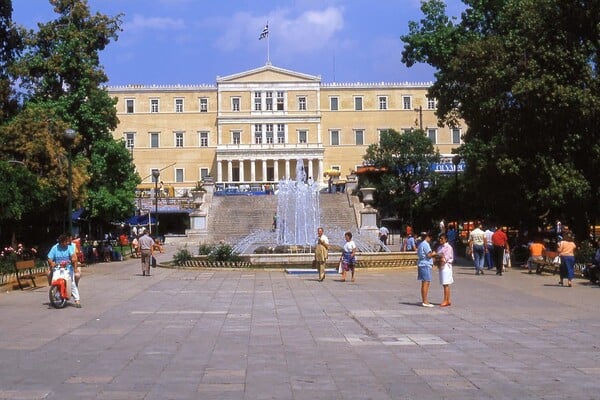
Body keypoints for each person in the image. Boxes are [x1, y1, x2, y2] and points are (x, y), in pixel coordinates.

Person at [47, 234, 81, 308]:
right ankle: (55, 296)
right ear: (61, 242)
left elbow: (73, 257)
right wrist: (52, 263)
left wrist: (72, 259)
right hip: (57, 268)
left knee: (71, 282)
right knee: (54, 280)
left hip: (68, 268)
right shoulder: (55, 248)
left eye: (68, 241)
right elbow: (49, 258)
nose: (67, 243)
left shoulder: (69, 248)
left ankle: (77, 300)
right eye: (66, 242)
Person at [417, 231, 436, 307]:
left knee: (424, 282)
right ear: (427, 237)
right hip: (425, 264)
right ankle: (425, 301)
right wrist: (434, 253)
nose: (430, 239)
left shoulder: (421, 244)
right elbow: (429, 255)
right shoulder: (426, 244)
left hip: (422, 264)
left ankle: (424, 300)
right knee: (426, 283)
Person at [436, 233, 453, 307]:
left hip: (445, 266)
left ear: (446, 239)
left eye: (442, 239)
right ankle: (448, 300)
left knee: (446, 283)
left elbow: (445, 258)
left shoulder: (448, 247)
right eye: (440, 238)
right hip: (441, 265)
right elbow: (437, 256)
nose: (440, 240)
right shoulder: (440, 247)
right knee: (445, 284)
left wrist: (441, 262)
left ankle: (445, 300)